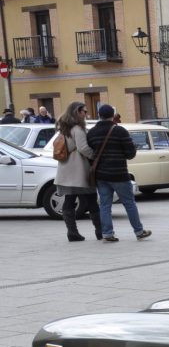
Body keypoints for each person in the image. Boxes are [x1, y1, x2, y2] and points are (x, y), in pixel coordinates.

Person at [87, 103, 151, 242]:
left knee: (105, 205)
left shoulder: (91, 132)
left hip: (101, 175)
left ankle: (107, 233)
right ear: (112, 115)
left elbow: (90, 154)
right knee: (129, 203)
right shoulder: (120, 131)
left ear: (99, 115)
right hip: (119, 174)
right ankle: (139, 231)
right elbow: (130, 154)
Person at [53, 101, 100, 242]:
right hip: (79, 169)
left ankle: (72, 232)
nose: (86, 114)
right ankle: (101, 231)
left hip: (65, 169)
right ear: (76, 112)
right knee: (92, 200)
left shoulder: (64, 128)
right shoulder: (78, 129)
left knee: (69, 200)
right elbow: (83, 148)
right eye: (84, 112)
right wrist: (95, 157)